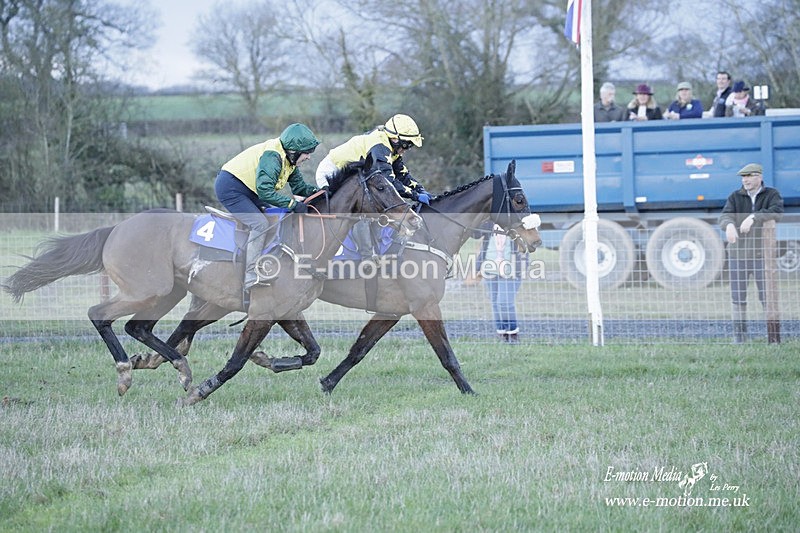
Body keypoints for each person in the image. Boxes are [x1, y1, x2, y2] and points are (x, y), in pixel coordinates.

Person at [215, 122, 321, 293]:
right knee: (261, 224)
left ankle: (267, 263)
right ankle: (250, 275)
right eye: (307, 153)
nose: (309, 157)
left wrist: (322, 191)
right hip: (231, 188)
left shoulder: (289, 160)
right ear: (294, 151)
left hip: (248, 189)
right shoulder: (273, 158)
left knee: (277, 217)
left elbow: (300, 188)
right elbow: (265, 192)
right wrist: (292, 204)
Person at [315, 113, 430, 259]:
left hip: (354, 176)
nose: (407, 149)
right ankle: (367, 256)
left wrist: (420, 189)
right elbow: (390, 182)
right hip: (331, 171)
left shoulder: (390, 147)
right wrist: (415, 195)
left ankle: (377, 250)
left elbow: (402, 174)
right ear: (395, 139)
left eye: (410, 145)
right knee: (361, 213)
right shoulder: (379, 147)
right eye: (407, 144)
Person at [718, 163, 784, 343]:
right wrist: (729, 225)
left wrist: (754, 216)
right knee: (737, 296)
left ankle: (773, 338)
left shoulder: (772, 194)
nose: (745, 180)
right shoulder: (735, 196)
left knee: (767, 296)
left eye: (749, 176)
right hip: (738, 256)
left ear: (759, 177)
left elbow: (777, 212)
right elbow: (724, 216)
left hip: (762, 256)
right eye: (743, 177)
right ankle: (740, 338)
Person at [477, 223, 527, 343]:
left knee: (504, 302)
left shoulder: (517, 224)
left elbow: (527, 244)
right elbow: (475, 234)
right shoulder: (489, 224)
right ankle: (501, 333)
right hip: (490, 268)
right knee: (494, 301)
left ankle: (512, 333)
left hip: (511, 270)